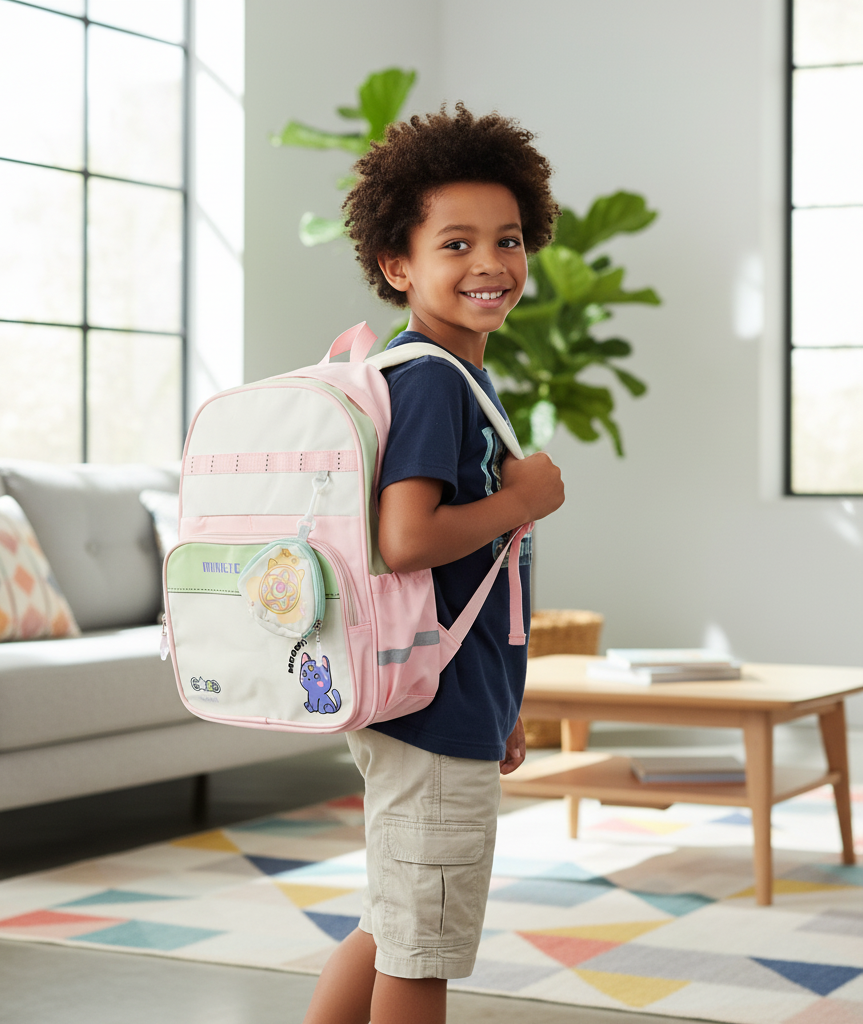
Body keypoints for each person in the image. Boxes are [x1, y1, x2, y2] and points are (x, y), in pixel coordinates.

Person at [302, 104, 566, 1024]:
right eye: (456, 243)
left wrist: (500, 708)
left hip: (432, 694)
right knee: (421, 950)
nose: (491, 263)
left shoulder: (442, 372)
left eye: (508, 238)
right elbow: (407, 539)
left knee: (392, 921)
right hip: (431, 707)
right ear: (398, 264)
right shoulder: (428, 381)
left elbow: (464, 584)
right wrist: (522, 501)